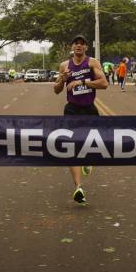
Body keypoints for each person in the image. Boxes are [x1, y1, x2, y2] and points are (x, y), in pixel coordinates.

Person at [53, 35, 109, 204]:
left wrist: (82, 82)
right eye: (76, 43)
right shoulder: (64, 65)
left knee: (93, 143)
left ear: (86, 47)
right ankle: (78, 187)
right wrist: (63, 80)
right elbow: (56, 90)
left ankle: (88, 160)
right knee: (72, 147)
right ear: (72, 47)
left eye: (82, 44)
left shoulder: (92, 63)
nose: (78, 46)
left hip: (89, 109)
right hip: (72, 110)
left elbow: (104, 83)